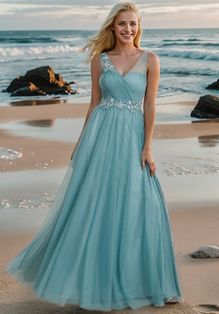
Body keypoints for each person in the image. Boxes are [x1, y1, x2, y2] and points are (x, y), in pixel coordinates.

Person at [5, 1, 184, 311]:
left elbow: (151, 106)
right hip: (100, 135)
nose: (129, 29)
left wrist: (148, 146)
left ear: (138, 27)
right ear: (112, 27)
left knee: (139, 200)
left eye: (133, 24)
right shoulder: (101, 60)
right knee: (95, 203)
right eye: (123, 24)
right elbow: (94, 103)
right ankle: (90, 281)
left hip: (132, 136)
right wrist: (81, 141)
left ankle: (147, 281)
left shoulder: (150, 59)